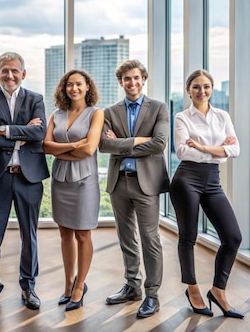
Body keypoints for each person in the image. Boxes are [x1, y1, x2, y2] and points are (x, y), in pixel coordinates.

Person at [0, 52, 49, 311]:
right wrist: (22, 131)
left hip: (29, 177)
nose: (9, 75)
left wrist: (4, 129)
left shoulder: (35, 99)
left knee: (30, 235)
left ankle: (28, 286)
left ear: (23, 74)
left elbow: (39, 133)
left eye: (14, 70)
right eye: (4, 70)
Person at [169, 69, 243, 319]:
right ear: (188, 89)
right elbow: (182, 152)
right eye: (197, 87)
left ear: (212, 89)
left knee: (233, 237)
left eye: (207, 87)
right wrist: (219, 149)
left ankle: (218, 291)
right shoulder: (182, 117)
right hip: (186, 180)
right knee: (188, 236)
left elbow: (236, 149)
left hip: (213, 181)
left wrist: (201, 146)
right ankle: (192, 289)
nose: (202, 91)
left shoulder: (222, 116)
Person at [99, 59, 169, 318]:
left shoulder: (159, 108)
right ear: (121, 82)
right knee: (126, 238)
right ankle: (132, 285)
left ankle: (152, 294)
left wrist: (123, 144)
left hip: (146, 183)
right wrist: (140, 141)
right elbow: (104, 146)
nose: (132, 82)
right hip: (119, 181)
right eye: (127, 79)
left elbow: (160, 143)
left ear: (143, 79)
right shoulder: (110, 112)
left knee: (150, 239)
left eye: (136, 78)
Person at [43, 69, 104, 311]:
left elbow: (89, 150)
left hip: (84, 181)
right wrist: (73, 145)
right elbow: (45, 147)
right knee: (65, 234)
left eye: (79, 84)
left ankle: (80, 286)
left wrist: (62, 149)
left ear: (87, 87)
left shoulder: (96, 114)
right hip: (60, 181)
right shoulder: (56, 114)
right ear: (64, 88)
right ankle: (68, 283)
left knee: (82, 235)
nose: (74, 88)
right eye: (69, 84)